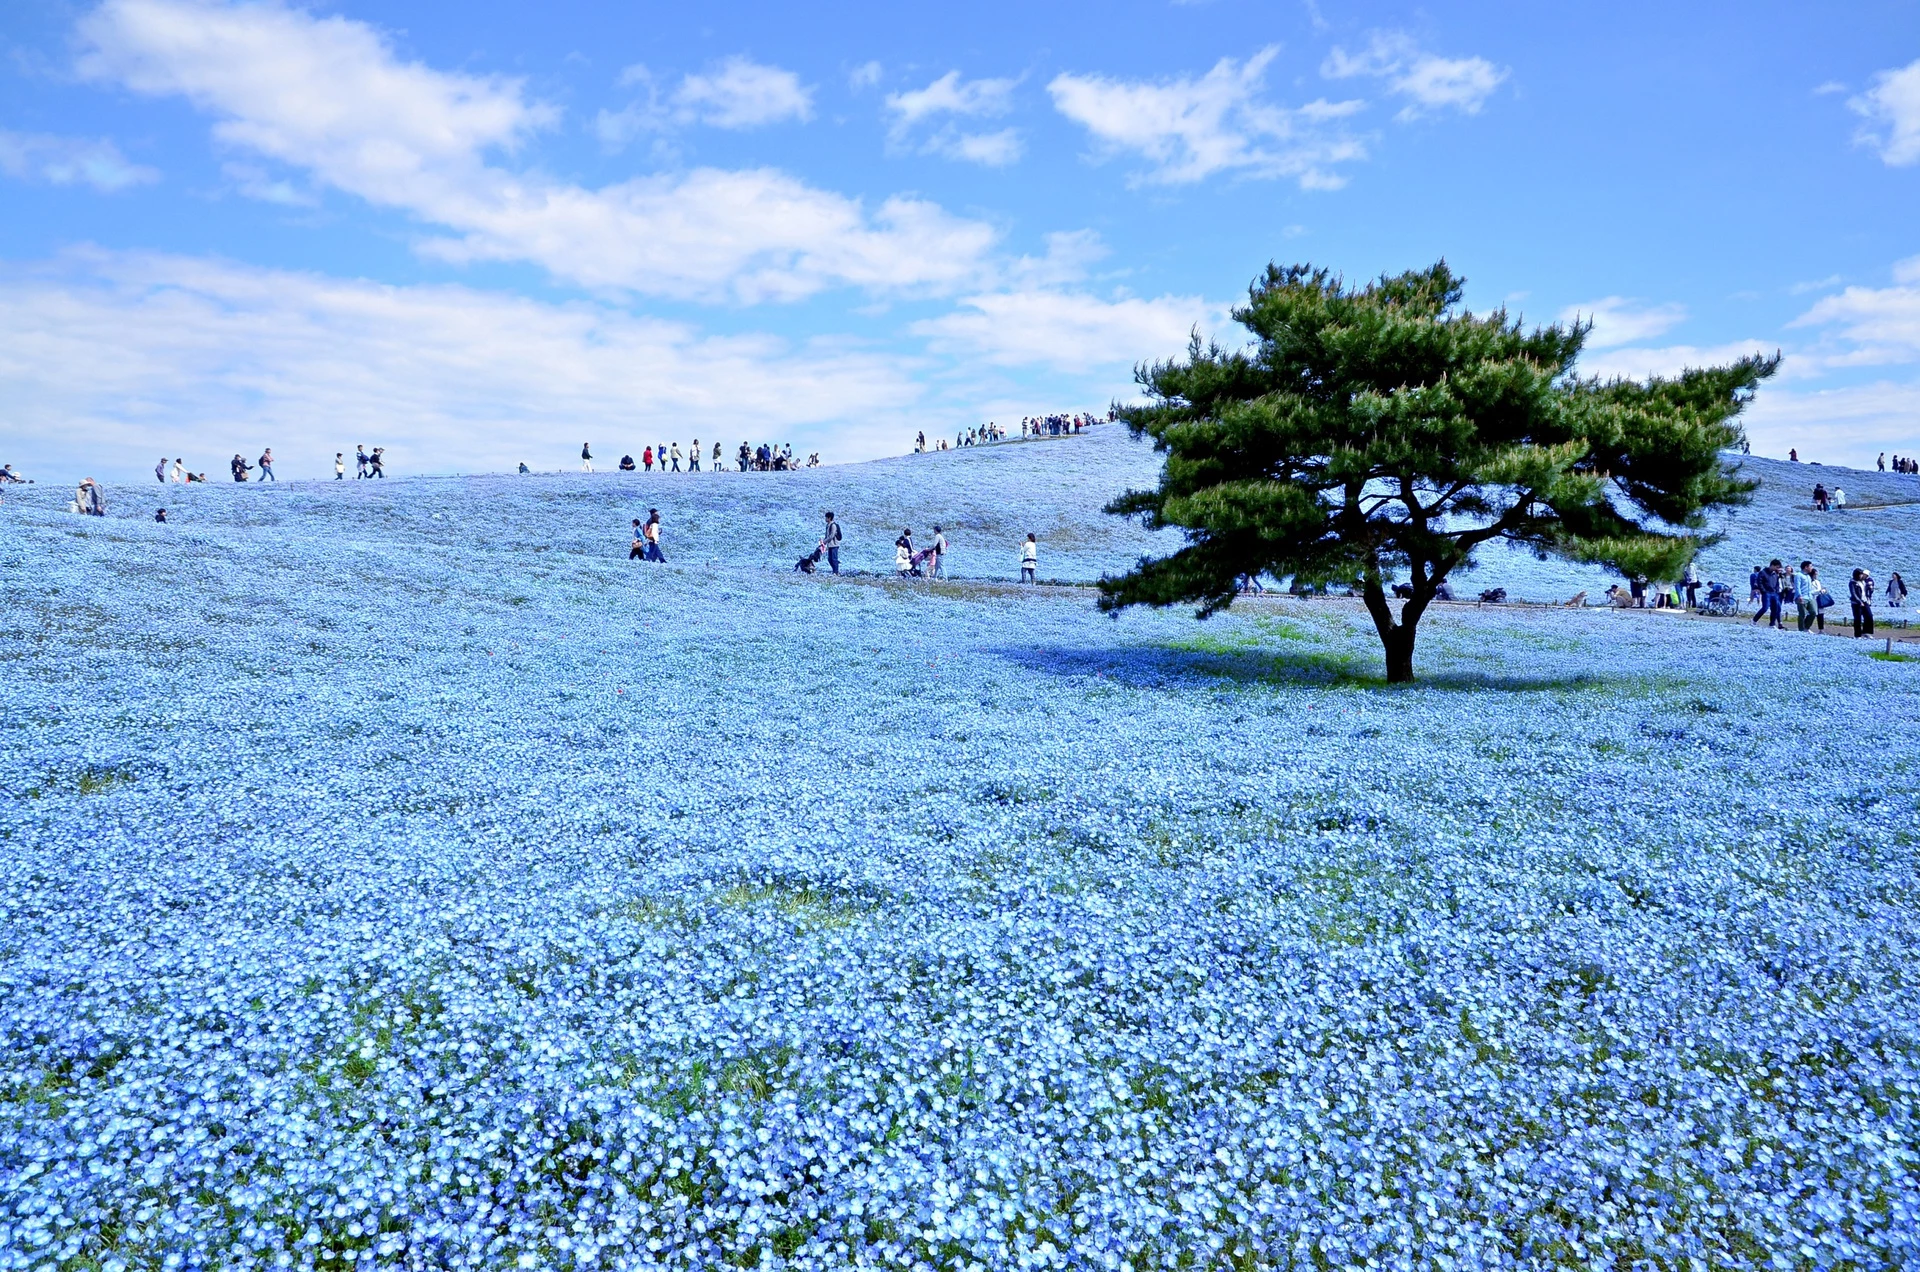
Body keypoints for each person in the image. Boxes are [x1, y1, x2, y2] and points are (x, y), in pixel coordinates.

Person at [1755, 559, 1783, 628]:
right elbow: (1759, 582)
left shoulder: (1775, 574)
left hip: (1774, 593)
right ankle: (1754, 620)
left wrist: (1776, 591)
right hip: (1766, 593)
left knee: (1775, 609)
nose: (1777, 569)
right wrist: (1763, 591)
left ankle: (1772, 624)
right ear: (1772, 565)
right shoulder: (1763, 572)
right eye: (1777, 567)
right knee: (1765, 608)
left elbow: (1777, 583)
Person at [1850, 568, 1875, 638]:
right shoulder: (1852, 582)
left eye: (1862, 574)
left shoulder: (1863, 582)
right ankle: (1857, 635)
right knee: (1858, 618)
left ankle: (1866, 632)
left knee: (1869, 616)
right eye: (1861, 574)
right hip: (1856, 603)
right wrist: (1859, 601)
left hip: (1865, 601)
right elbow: (1853, 593)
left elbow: (1866, 590)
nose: (1862, 576)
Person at [1795, 561, 1819, 632]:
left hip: (1810, 597)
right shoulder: (1798, 575)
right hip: (1802, 597)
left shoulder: (1808, 576)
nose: (1812, 568)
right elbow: (1797, 586)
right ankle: (1801, 630)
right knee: (1802, 614)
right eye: (1810, 566)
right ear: (1806, 567)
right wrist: (1799, 596)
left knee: (1814, 612)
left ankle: (1806, 627)